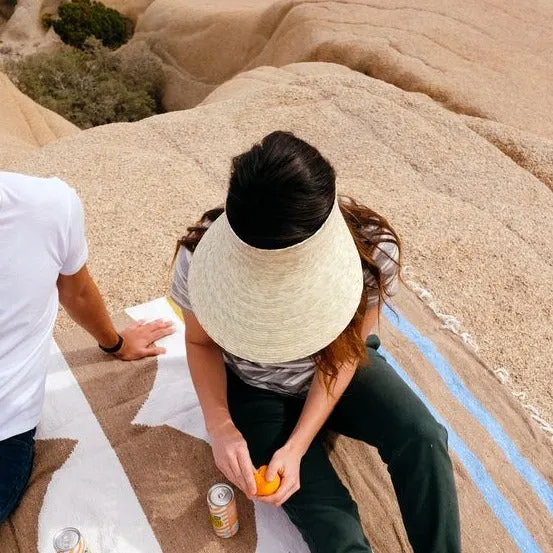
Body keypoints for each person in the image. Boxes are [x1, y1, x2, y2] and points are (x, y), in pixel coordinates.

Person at [170, 131, 461, 552]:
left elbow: (349, 353)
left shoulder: (371, 251)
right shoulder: (200, 259)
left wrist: (299, 444)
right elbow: (200, 344)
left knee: (424, 437)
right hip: (255, 389)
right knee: (336, 534)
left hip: (339, 367)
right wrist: (221, 426)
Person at [0, 171, 174, 524]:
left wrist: (117, 343)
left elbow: (76, 292)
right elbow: (75, 292)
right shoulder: (45, 205)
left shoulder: (47, 208)